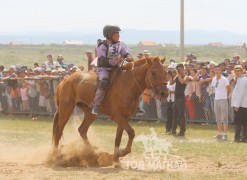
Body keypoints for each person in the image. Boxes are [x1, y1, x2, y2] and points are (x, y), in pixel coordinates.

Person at [91, 25, 132, 114]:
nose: (118, 36)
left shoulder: (120, 44)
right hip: (104, 69)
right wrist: (114, 62)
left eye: (118, 34)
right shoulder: (102, 45)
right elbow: (102, 61)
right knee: (104, 81)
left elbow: (126, 53)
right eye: (116, 34)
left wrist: (128, 57)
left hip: (117, 68)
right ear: (109, 35)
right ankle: (96, 105)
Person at [211, 65, 231, 140]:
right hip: (216, 99)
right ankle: (219, 133)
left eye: (218, 70)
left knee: (224, 118)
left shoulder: (225, 79)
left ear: (221, 71)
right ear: (214, 71)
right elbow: (214, 89)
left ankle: (225, 134)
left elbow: (229, 89)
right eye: (215, 70)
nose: (217, 71)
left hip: (223, 99)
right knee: (218, 118)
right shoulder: (214, 79)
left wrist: (225, 97)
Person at [170, 63, 189, 136]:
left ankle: (182, 131)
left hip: (181, 98)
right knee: (174, 115)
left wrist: (177, 74)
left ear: (183, 69)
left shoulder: (186, 77)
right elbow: (171, 83)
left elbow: (182, 82)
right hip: (176, 98)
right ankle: (173, 130)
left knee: (182, 115)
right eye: (178, 69)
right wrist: (172, 75)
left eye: (180, 69)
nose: (179, 71)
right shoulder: (177, 77)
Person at [231, 65, 247, 142]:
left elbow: (240, 93)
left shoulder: (242, 80)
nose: (237, 72)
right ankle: (244, 138)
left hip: (240, 105)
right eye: (236, 71)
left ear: (242, 71)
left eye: (238, 71)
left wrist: (236, 105)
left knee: (238, 122)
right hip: (243, 104)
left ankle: (237, 139)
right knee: (244, 123)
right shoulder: (242, 79)